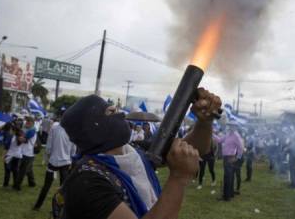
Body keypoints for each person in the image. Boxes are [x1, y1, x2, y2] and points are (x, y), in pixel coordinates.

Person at [59, 88, 221, 219]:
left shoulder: (135, 151)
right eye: (110, 111)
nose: (121, 114)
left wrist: (204, 122)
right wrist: (178, 178)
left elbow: (193, 147)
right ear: (92, 128)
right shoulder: (86, 182)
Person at [33, 119, 76, 210]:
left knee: (47, 186)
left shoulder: (55, 128)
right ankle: (60, 208)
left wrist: (48, 157)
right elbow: (73, 150)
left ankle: (38, 206)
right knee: (63, 188)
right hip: (65, 162)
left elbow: (49, 147)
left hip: (55, 161)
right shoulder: (72, 130)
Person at [215, 122, 244, 201]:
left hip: (230, 157)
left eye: (233, 126)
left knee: (227, 177)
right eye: (230, 126)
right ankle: (230, 194)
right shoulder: (228, 134)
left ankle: (226, 197)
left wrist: (237, 157)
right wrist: (212, 134)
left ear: (236, 127)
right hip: (226, 157)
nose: (231, 127)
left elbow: (241, 148)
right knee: (229, 176)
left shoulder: (236, 136)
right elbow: (220, 140)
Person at [14, 116, 37, 190]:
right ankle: (32, 183)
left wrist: (18, 137)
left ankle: (17, 185)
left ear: (32, 123)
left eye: (28, 121)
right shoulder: (27, 129)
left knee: (22, 170)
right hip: (25, 152)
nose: (26, 122)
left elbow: (23, 140)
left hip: (28, 153)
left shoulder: (32, 130)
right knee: (29, 169)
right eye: (26, 121)